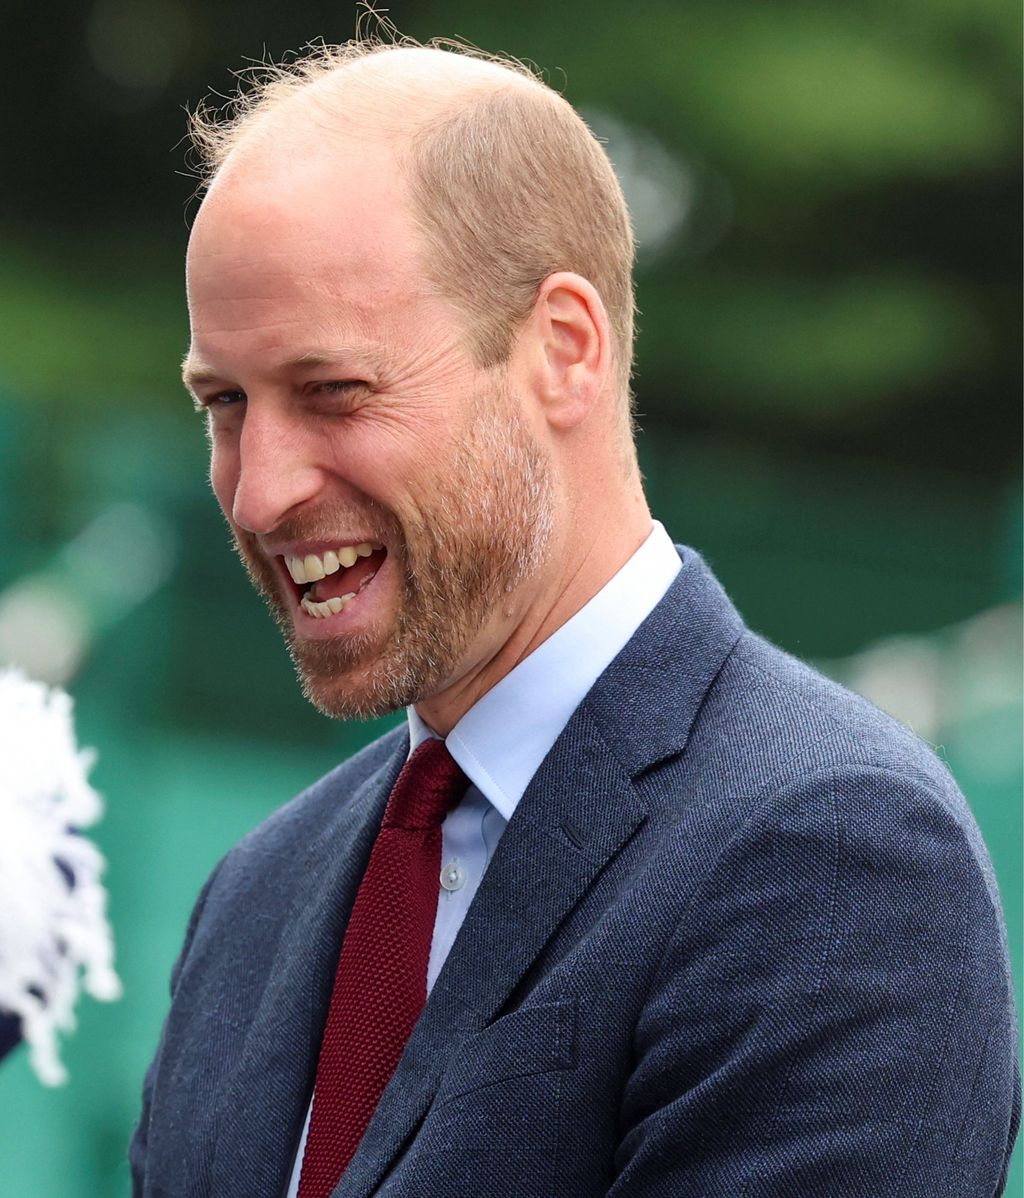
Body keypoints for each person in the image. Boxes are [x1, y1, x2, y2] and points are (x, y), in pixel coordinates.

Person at [130, 36, 1020, 1198]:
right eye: (225, 404)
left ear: (564, 350)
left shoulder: (831, 857)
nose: (259, 489)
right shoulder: (258, 893)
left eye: (334, 391)